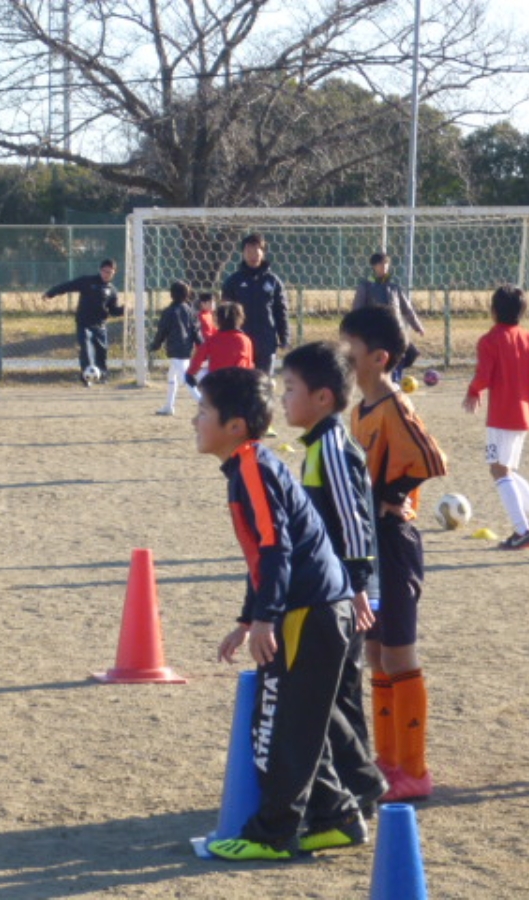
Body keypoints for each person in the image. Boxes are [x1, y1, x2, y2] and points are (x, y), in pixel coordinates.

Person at [197, 366, 368, 860]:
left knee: (275, 727)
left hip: (309, 612)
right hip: (312, 608)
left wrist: (266, 618)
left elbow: (276, 548)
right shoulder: (247, 465)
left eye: (203, 411)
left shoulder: (252, 466)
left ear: (235, 426)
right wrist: (248, 618)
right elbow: (262, 556)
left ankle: (271, 836)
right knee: (296, 723)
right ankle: (336, 817)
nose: (195, 421)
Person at [340, 306, 448, 802]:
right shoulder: (359, 410)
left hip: (394, 543)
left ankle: (415, 769)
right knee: (376, 651)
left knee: (399, 653)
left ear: (379, 357)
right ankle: (387, 761)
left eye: (350, 349)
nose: (342, 356)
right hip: (370, 547)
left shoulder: (395, 405)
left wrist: (394, 496)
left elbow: (431, 458)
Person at [280, 341, 389, 817]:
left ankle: (359, 786)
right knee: (335, 691)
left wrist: (359, 586)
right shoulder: (316, 445)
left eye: (290, 389)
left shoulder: (331, 448)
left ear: (322, 398)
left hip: (344, 595)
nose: (283, 399)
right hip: (335, 590)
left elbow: (354, 521)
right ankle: (352, 785)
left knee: (338, 692)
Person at [463, 285, 529, 550]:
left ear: (493, 311)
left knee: (498, 469)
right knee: (505, 469)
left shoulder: (489, 340)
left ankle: (522, 530)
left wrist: (473, 390)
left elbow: (484, 376)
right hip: (523, 415)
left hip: (502, 415)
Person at [44, 259, 123, 386]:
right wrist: (51, 293)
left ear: (114, 273)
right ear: (100, 270)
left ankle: (102, 375)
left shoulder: (112, 290)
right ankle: (86, 377)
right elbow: (68, 286)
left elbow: (113, 310)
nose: (106, 274)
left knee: (102, 351)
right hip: (84, 323)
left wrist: (123, 310)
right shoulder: (87, 281)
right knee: (86, 348)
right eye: (104, 271)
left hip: (100, 325)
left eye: (110, 272)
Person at [221, 234, 289, 376]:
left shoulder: (273, 281)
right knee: (242, 381)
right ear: (243, 253)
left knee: (263, 381)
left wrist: (284, 337)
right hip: (240, 342)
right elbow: (225, 313)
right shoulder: (233, 281)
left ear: (263, 253)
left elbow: (281, 311)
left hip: (266, 341)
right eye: (249, 251)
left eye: (256, 251)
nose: (253, 255)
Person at [352, 251, 425, 382]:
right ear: (374, 266)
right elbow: (357, 311)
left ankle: (395, 380)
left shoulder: (394, 287)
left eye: (386, 264)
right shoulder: (365, 287)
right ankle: (384, 382)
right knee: (382, 358)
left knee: (405, 354)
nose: (384, 267)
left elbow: (406, 309)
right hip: (376, 332)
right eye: (381, 264)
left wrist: (417, 326)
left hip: (395, 330)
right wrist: (357, 330)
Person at [149, 280, 203, 416]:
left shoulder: (169, 311)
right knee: (172, 377)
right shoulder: (190, 310)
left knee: (186, 379)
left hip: (175, 349)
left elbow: (162, 331)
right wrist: (201, 344)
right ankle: (169, 406)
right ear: (187, 294)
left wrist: (155, 344)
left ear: (171, 294)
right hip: (187, 348)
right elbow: (196, 330)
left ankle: (204, 404)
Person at [184, 301, 254, 387]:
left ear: (218, 320)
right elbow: (249, 365)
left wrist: (190, 373)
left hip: (217, 383)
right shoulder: (245, 340)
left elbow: (198, 359)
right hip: (239, 382)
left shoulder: (213, 340)